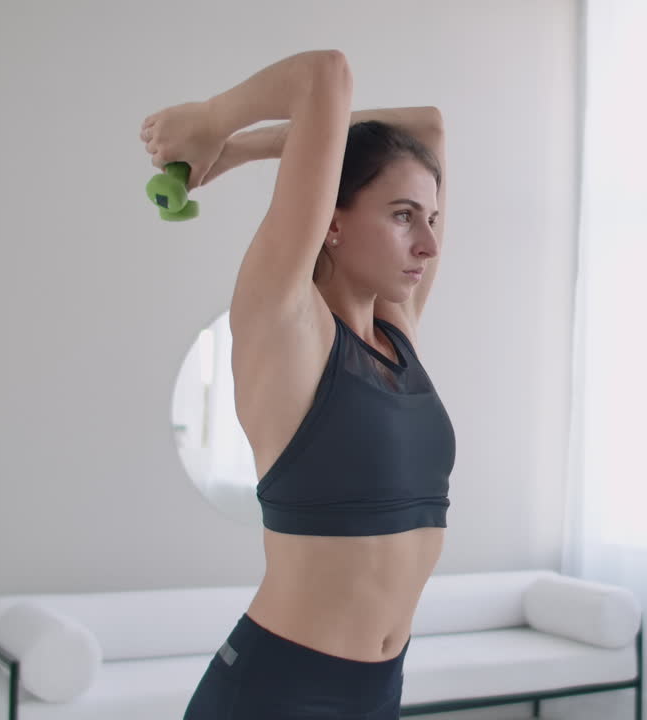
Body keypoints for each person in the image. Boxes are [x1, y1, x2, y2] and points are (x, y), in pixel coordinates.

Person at [141, 49, 452, 719]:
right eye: (403, 216)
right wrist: (210, 123)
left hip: (379, 691)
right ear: (331, 224)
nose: (429, 243)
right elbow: (325, 77)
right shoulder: (285, 319)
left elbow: (427, 129)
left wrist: (250, 147)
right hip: (277, 692)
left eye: (431, 218)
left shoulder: (397, 332)